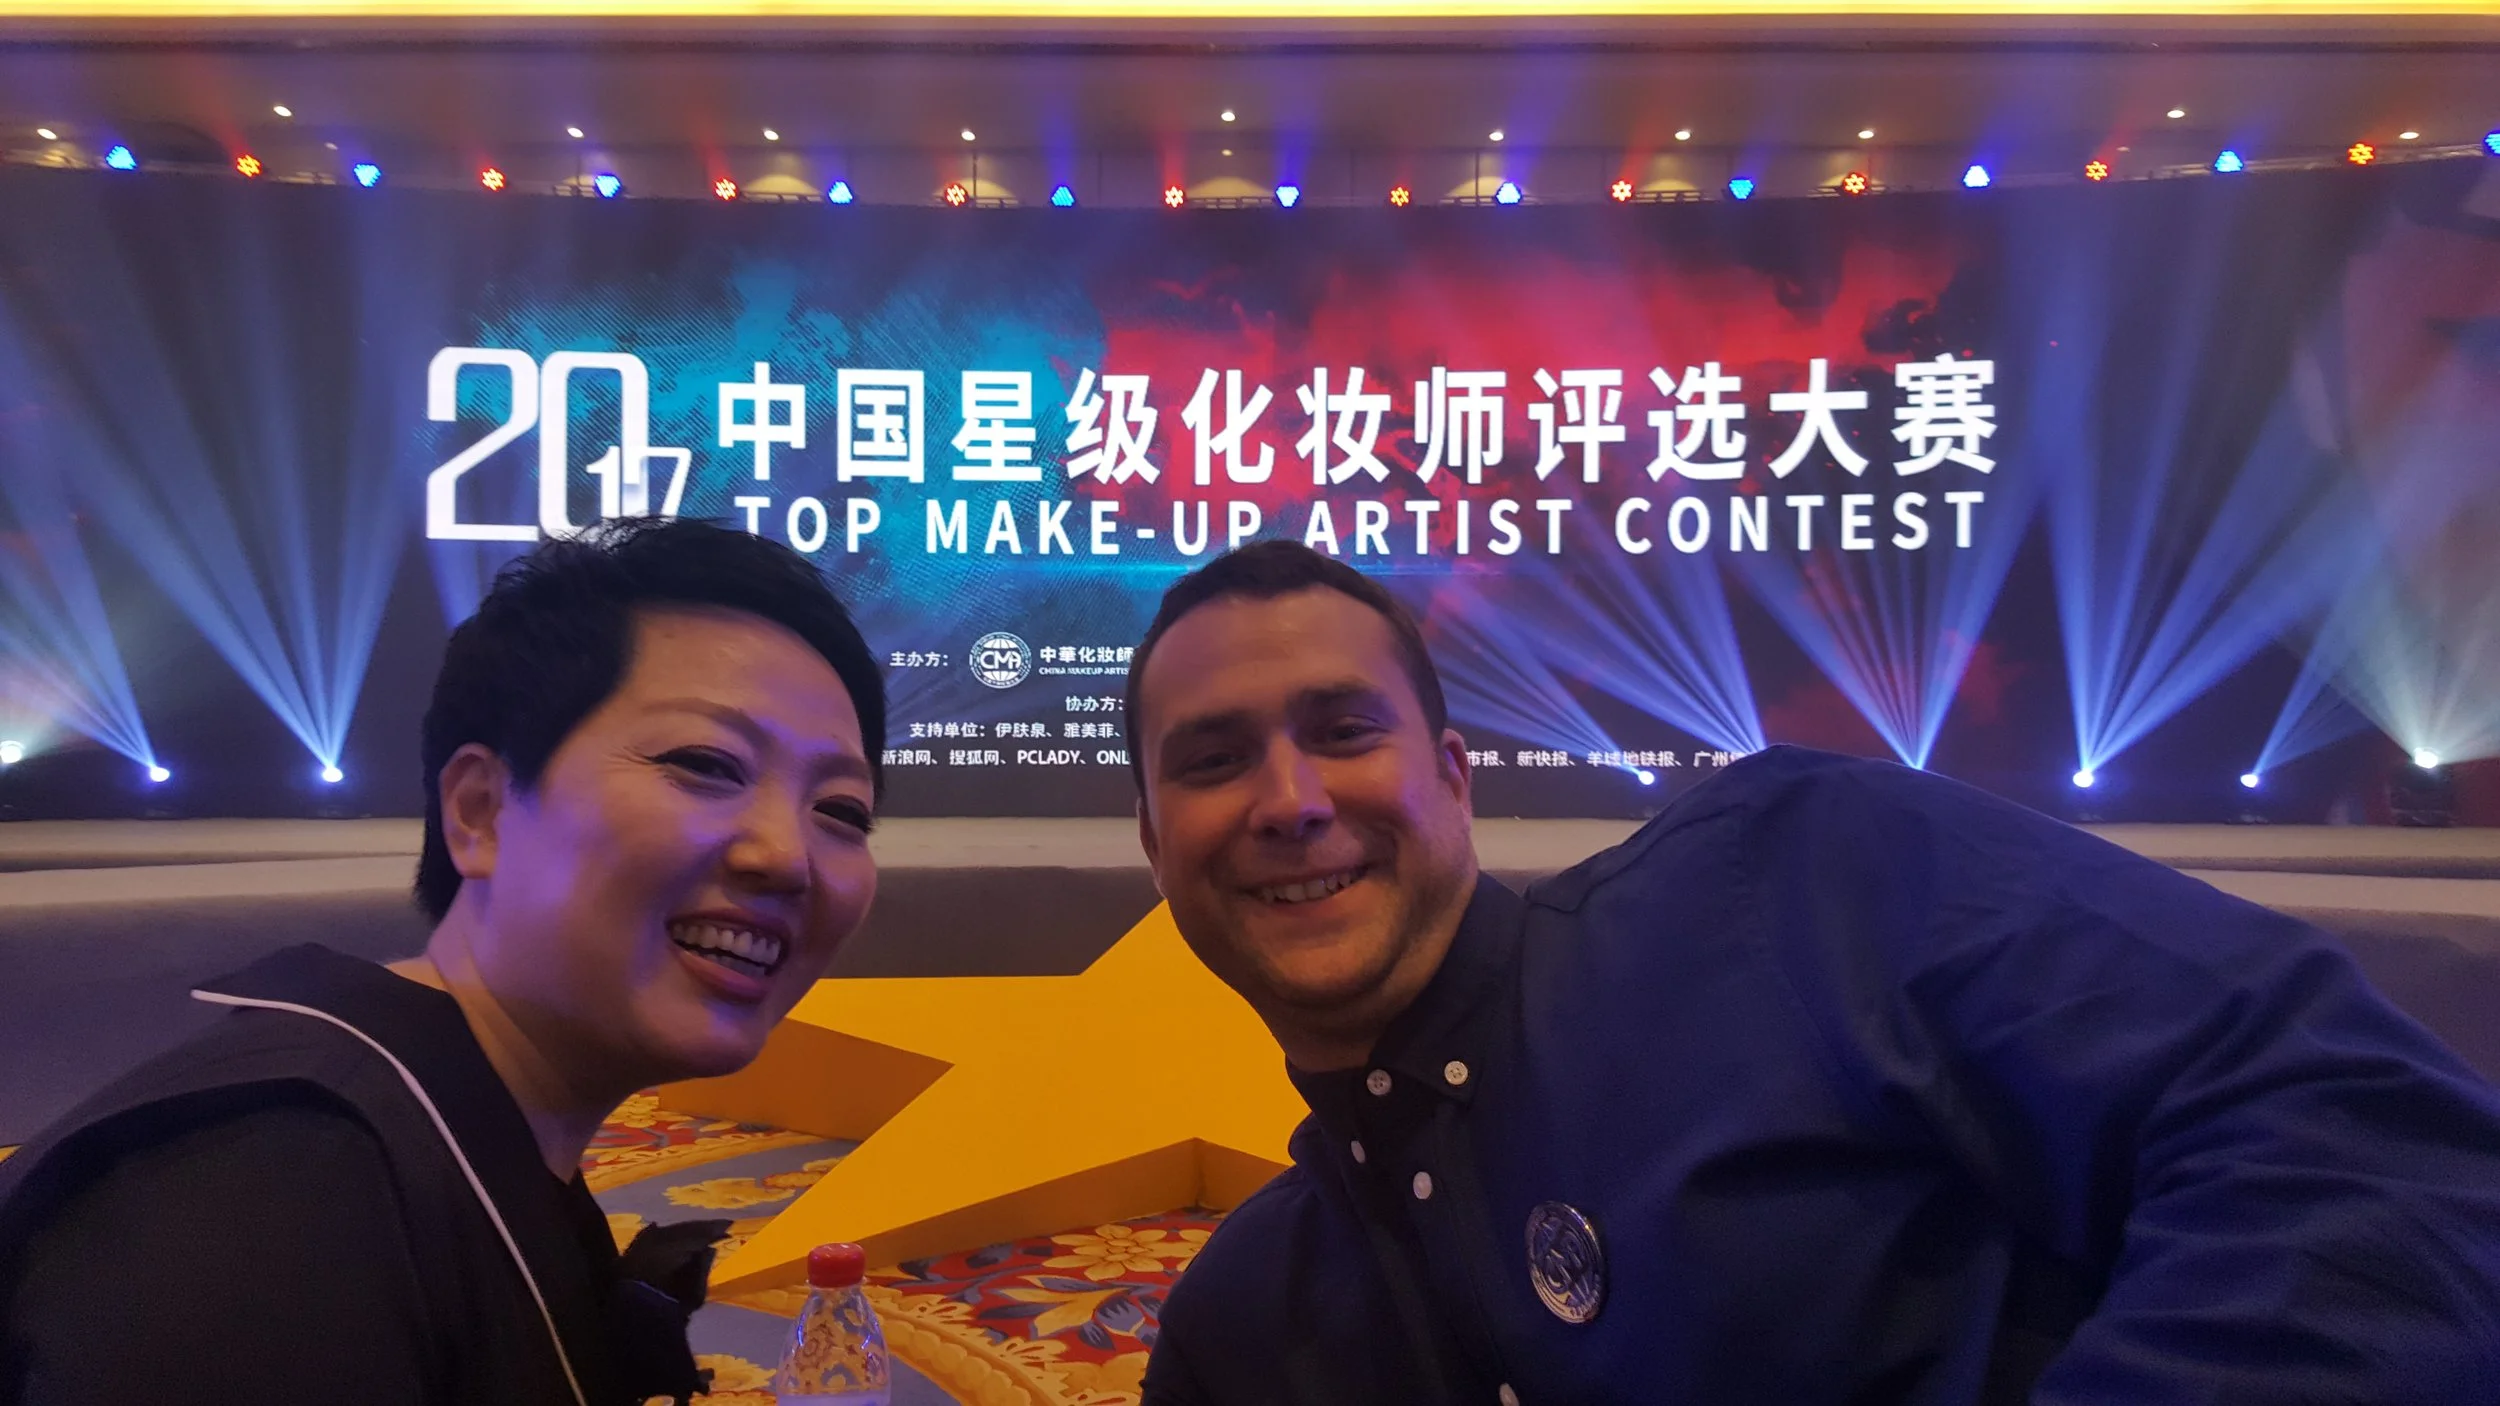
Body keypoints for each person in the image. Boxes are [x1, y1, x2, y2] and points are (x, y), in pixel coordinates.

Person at [1128, 540, 2500, 1406]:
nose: (1290, 800)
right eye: (1213, 759)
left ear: (1453, 775)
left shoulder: (1793, 880)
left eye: (1344, 729)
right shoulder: (1240, 1334)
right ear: (1153, 839)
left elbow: (2358, 1134)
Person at [0, 518, 885, 1406]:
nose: (788, 856)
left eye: (841, 811)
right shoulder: (273, 1200)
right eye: (707, 765)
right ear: (480, 810)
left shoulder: (462, 1134)